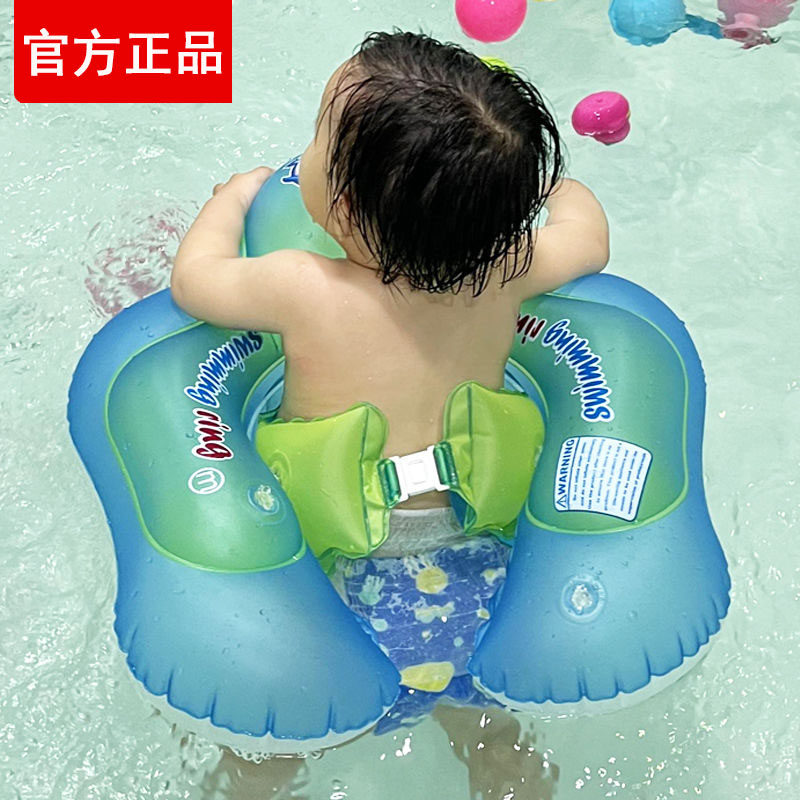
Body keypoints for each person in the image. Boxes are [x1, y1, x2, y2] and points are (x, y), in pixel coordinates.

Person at [173, 29, 608, 799]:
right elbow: (590, 241)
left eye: (316, 139)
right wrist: (554, 190)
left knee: (270, 751)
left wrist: (230, 200)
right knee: (492, 737)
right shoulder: (506, 270)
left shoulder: (301, 287)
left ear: (339, 208)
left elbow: (195, 281)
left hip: (340, 582)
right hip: (479, 581)